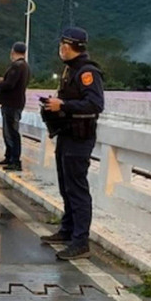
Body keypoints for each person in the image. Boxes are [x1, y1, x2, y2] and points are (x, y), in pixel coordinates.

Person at [40, 27, 105, 260]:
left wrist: (64, 106)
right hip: (66, 135)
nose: (61, 49)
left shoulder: (88, 72)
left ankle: (80, 242)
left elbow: (95, 104)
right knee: (66, 186)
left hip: (80, 138)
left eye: (63, 46)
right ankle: (67, 230)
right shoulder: (70, 70)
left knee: (77, 189)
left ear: (70, 47)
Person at [0, 42, 31, 172]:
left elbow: (10, 84)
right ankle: (9, 157)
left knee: (11, 133)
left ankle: (15, 161)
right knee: (8, 132)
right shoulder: (24, 66)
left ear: (13, 51)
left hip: (11, 104)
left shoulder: (17, 66)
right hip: (16, 103)